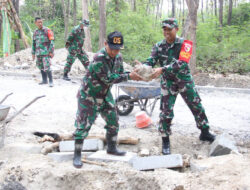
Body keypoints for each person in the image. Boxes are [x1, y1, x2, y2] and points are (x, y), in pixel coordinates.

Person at [137, 18, 215, 155]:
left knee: (196, 106)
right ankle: (165, 140)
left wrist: (162, 69)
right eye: (164, 29)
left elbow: (183, 63)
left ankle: (205, 132)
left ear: (176, 29)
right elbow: (151, 60)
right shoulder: (158, 46)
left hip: (184, 80)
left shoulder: (186, 44)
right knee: (166, 112)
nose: (166, 32)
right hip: (168, 82)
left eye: (169, 29)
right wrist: (144, 67)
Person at [73, 31, 143, 168]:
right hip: (89, 95)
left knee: (113, 120)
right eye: (112, 48)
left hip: (105, 94)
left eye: (118, 49)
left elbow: (120, 73)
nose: (114, 52)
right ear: (105, 44)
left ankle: (111, 148)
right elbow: (108, 78)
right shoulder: (99, 58)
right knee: (84, 125)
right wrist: (129, 76)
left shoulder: (118, 57)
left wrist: (135, 72)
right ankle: (77, 154)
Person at [32, 17, 55, 87]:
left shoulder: (47, 30)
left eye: (41, 22)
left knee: (47, 67)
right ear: (35, 23)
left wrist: (51, 51)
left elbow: (52, 42)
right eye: (38, 22)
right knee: (40, 66)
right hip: (38, 53)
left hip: (46, 52)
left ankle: (51, 81)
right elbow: (33, 43)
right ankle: (44, 80)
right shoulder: (35, 32)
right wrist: (33, 53)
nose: (40, 24)